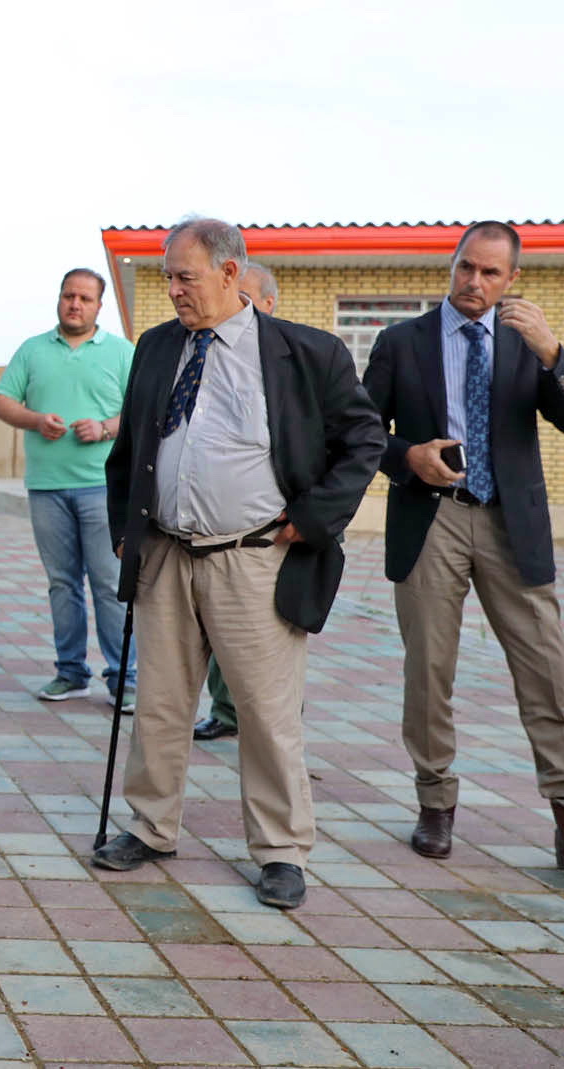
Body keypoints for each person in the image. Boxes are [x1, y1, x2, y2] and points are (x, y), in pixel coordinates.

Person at [93, 219, 382, 910]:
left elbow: (364, 439)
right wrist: (126, 528)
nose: (173, 290)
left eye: (184, 277)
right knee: (160, 704)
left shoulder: (304, 352)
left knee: (265, 711)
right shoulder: (157, 345)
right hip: (166, 553)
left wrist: (316, 517)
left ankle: (281, 850)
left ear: (229, 273)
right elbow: (130, 449)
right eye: (168, 277)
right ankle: (150, 827)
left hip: (254, 558)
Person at [363, 222, 564, 870]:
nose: (474, 281)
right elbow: (357, 429)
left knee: (548, 672)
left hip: (511, 527)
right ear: (453, 263)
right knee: (429, 672)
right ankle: (435, 804)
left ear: (512, 279)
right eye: (466, 266)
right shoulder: (401, 341)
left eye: (490, 273)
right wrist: (407, 456)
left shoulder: (527, 344)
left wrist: (553, 353)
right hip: (433, 518)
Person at [0, 269, 137, 709]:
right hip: (46, 488)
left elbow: (144, 410)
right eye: (68, 295)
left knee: (109, 584)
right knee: (62, 584)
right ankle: (71, 673)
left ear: (99, 306)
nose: (75, 304)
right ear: (59, 299)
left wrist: (106, 427)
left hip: (102, 488)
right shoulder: (32, 350)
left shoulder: (121, 352)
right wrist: (36, 420)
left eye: (85, 298)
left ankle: (125, 678)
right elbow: (2, 401)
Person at [194, 258, 278, 742]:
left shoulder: (291, 357)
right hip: (202, 537)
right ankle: (225, 711)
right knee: (215, 634)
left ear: (267, 303)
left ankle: (270, 728)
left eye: (244, 297)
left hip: (266, 541)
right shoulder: (201, 350)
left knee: (265, 653)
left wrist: (314, 517)